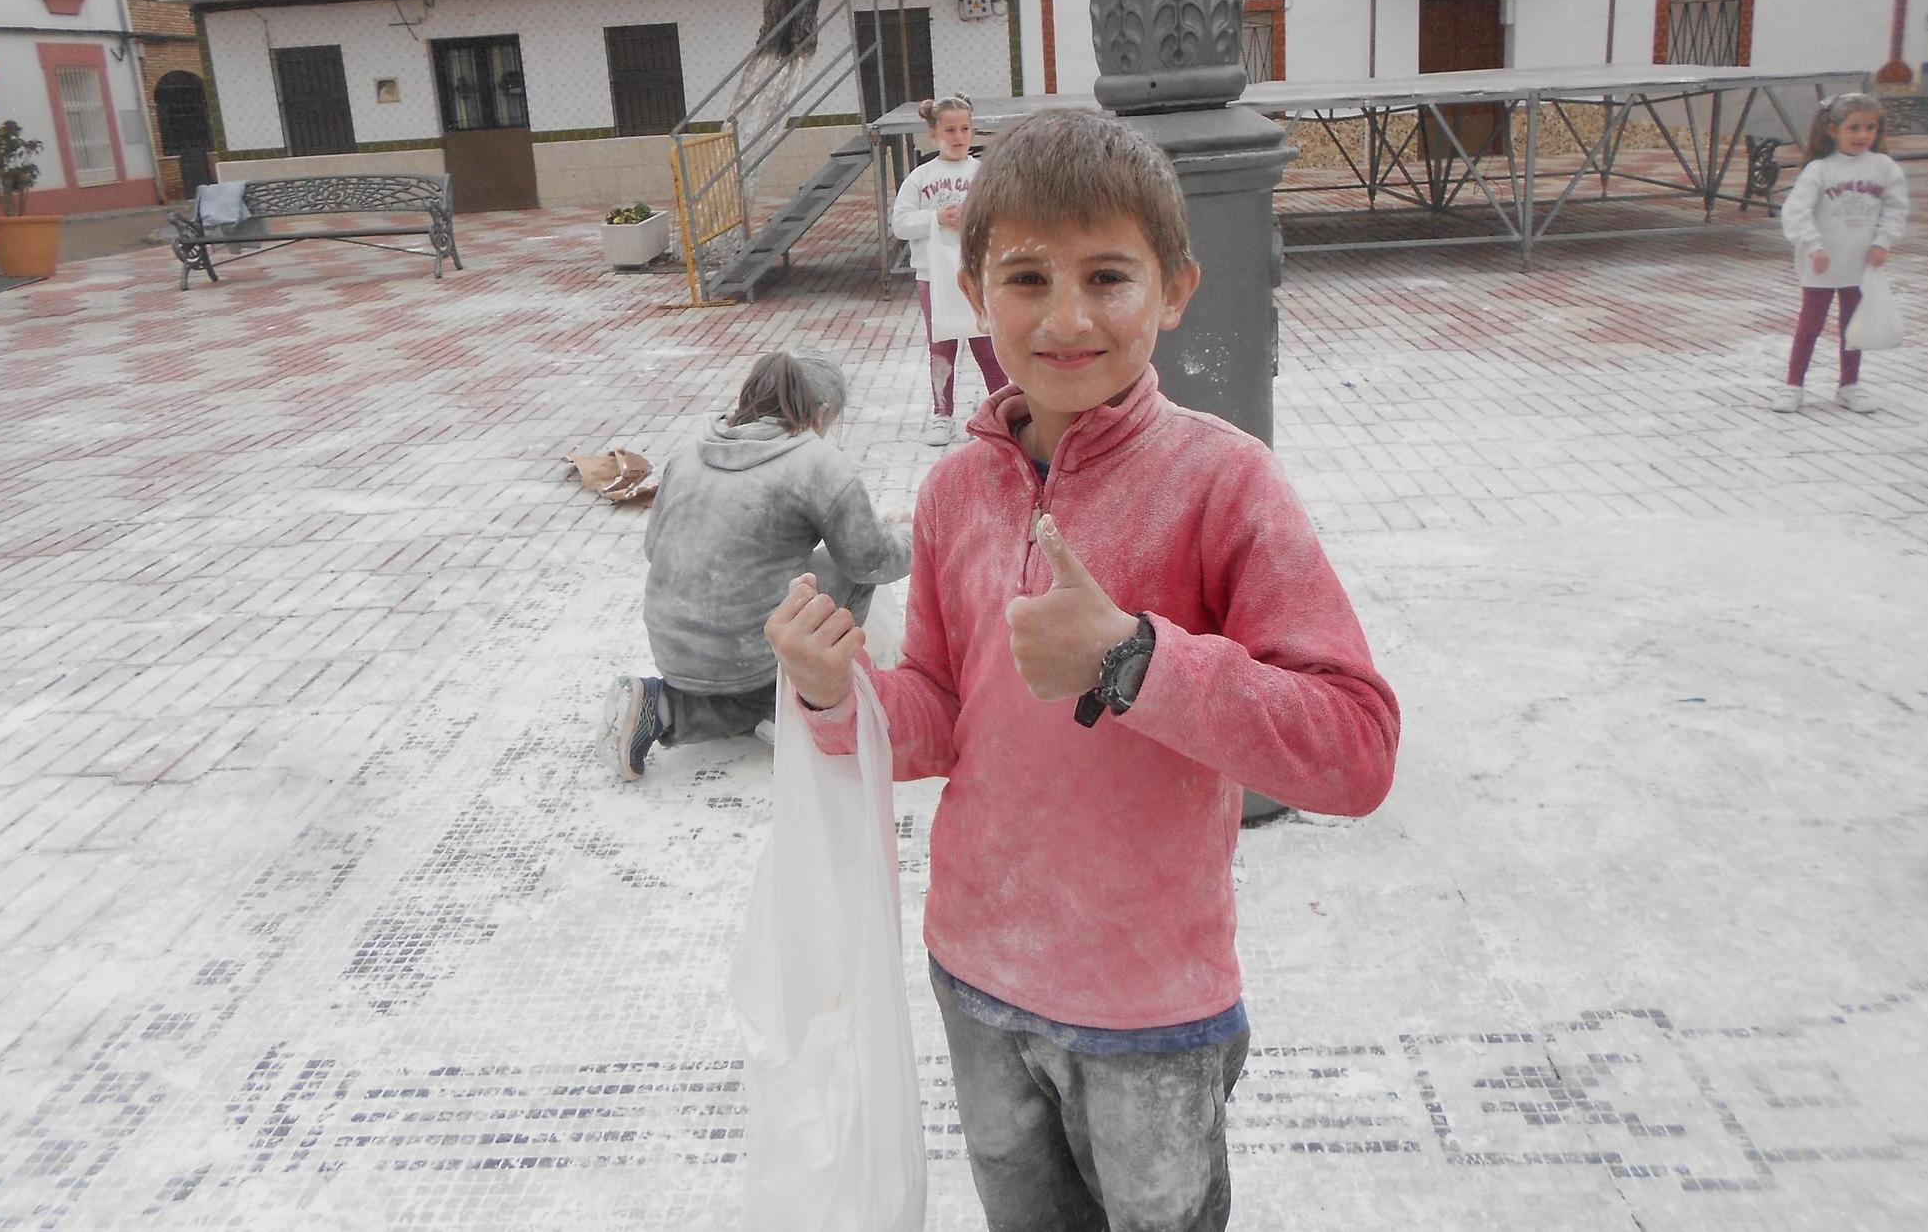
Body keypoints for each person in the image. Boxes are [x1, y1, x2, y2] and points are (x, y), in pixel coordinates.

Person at [766, 111, 1401, 1232]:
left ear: (1174, 288)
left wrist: (1130, 658)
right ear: (972, 289)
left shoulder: (1222, 485)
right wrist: (838, 693)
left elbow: (1352, 750)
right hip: (975, 973)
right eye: (1024, 278)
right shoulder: (957, 491)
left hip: (1147, 1007)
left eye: (1107, 276)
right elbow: (943, 715)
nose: (1064, 318)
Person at [600, 351, 910, 782]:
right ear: (820, 413)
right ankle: (807, 698)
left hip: (674, 646)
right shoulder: (815, 462)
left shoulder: (689, 451)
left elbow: (654, 548)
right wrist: (907, 534)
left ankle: (665, 706)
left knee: (745, 680)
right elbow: (873, 560)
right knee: (850, 570)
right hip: (750, 652)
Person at [1772, 92, 1908, 414]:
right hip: (1821, 263)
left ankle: (1849, 384)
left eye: (1870, 127)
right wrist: (1813, 245)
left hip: (1859, 263)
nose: (1863, 135)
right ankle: (1794, 384)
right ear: (1832, 130)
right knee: (1810, 325)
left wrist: (1882, 242)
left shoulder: (1884, 167)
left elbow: (1895, 207)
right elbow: (1797, 212)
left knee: (1853, 325)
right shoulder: (1819, 170)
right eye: (1854, 127)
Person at [890, 91, 1011, 446]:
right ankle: (942, 415)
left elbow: (1002, 217)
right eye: (950, 130)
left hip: (977, 275)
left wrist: (972, 220)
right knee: (942, 345)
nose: (958, 137)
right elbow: (900, 223)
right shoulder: (920, 178)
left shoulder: (984, 174)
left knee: (988, 344)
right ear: (934, 134)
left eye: (965, 129)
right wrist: (936, 219)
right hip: (934, 276)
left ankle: (1002, 412)